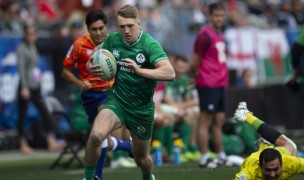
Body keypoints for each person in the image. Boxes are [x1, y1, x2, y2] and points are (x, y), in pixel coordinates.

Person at [85, 4, 175, 180]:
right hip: (117, 102)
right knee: (95, 136)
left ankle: (148, 176)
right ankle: (88, 178)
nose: (126, 30)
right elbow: (96, 53)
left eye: (130, 26)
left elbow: (170, 73)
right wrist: (91, 64)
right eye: (122, 26)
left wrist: (140, 71)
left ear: (139, 24)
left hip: (141, 109)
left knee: (141, 159)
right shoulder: (114, 40)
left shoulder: (150, 44)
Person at [61, 10, 134, 180]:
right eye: (94, 29)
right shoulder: (79, 45)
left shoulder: (115, 42)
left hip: (110, 94)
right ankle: (127, 147)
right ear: (88, 29)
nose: (99, 32)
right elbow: (65, 71)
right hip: (89, 96)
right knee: (103, 141)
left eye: (101, 28)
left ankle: (96, 176)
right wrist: (79, 83)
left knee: (98, 134)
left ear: (106, 27)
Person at [16, 22, 65, 154]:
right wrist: (24, 87)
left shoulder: (34, 47)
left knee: (45, 112)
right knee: (22, 115)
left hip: (35, 85)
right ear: (25, 35)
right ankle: (22, 144)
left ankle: (51, 140)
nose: (33, 36)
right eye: (30, 34)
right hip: (26, 85)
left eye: (34, 33)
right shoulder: (22, 48)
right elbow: (21, 69)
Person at [191, 2, 230, 167]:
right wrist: (197, 76)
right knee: (205, 119)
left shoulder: (219, 33)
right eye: (216, 16)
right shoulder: (205, 35)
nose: (219, 19)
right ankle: (204, 157)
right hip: (208, 83)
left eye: (221, 16)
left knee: (219, 119)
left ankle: (221, 154)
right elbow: (195, 60)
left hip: (219, 83)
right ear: (210, 16)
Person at [234, 102, 304, 180]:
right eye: (267, 170)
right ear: (260, 167)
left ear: (281, 165)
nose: (272, 175)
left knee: (291, 146)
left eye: (276, 169)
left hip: (278, 153)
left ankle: (247, 117)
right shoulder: (250, 171)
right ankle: (247, 117)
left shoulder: (290, 163)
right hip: (255, 158)